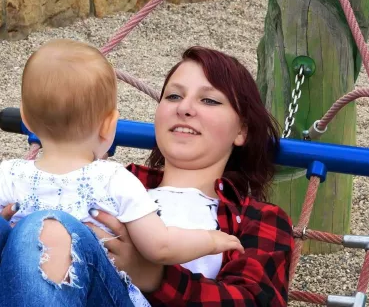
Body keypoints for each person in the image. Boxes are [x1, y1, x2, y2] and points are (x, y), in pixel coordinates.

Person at [0, 45, 293, 307]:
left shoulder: (258, 218)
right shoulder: (110, 181)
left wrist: (154, 276)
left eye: (209, 101)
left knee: (46, 228)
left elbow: (254, 300)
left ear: (241, 130)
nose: (185, 108)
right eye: (174, 96)